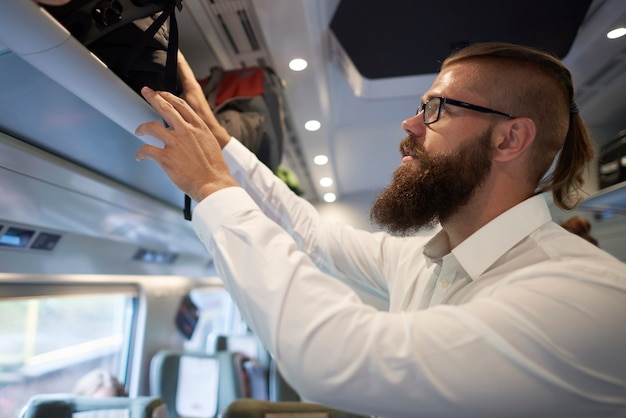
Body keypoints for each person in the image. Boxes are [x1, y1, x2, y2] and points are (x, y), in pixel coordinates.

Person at [134, 44, 626, 417]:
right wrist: (220, 144)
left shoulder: (582, 291)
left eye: (437, 109)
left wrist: (212, 189)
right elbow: (308, 232)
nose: (410, 124)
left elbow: (338, 359)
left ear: (509, 138)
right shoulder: (429, 260)